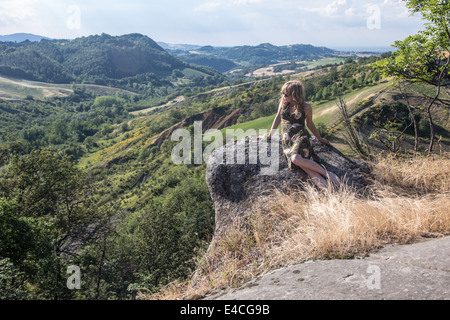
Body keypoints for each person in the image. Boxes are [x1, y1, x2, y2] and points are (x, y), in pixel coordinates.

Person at [266, 80, 341, 190]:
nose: (283, 96)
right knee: (307, 169)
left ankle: (327, 174)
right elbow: (277, 118)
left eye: (286, 94)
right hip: (287, 141)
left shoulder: (306, 107)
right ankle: (330, 193)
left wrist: (319, 138)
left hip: (301, 137)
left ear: (295, 95)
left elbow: (309, 124)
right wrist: (270, 135)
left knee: (296, 159)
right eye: (283, 93)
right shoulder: (283, 103)